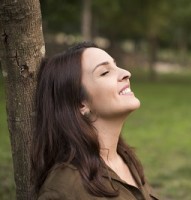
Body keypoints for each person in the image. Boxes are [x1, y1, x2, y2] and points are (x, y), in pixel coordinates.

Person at [31, 42, 158, 200]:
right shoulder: (65, 187)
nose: (126, 73)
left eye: (116, 66)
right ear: (80, 103)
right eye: (105, 72)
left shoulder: (125, 158)